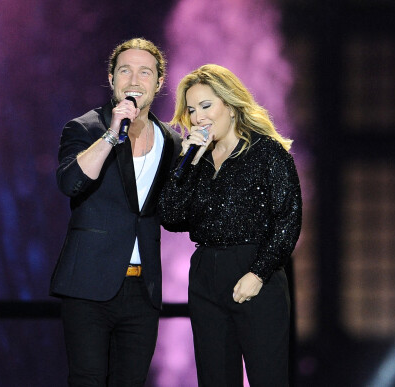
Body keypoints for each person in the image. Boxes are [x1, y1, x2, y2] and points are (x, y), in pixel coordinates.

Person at [158, 64, 302, 387]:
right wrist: (189, 162)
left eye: (206, 106)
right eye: (192, 110)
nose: (198, 118)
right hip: (206, 273)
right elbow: (170, 215)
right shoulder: (197, 159)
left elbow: (289, 218)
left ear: (231, 105)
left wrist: (258, 273)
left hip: (255, 271)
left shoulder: (267, 152)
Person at [50, 38, 182, 386]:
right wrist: (111, 134)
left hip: (143, 289)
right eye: (125, 70)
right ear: (111, 79)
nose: (135, 80)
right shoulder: (85, 128)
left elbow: (174, 211)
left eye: (145, 72)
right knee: (88, 378)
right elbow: (70, 183)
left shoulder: (171, 141)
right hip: (88, 283)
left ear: (158, 82)